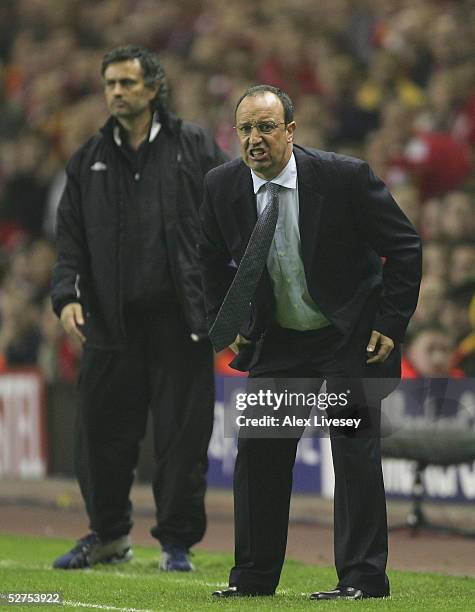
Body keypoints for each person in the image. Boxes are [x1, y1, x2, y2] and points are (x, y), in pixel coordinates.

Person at [199, 85, 422, 600]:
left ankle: (363, 580)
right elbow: (208, 259)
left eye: (267, 127)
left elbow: (404, 245)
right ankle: (253, 579)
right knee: (258, 452)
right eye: (247, 129)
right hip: (279, 337)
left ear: (291, 131)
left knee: (351, 446)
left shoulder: (344, 177)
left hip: (350, 334)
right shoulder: (220, 187)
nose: (256, 139)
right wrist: (226, 316)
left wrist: (389, 322)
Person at [51, 45, 227, 571]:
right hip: (110, 322)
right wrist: (66, 296)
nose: (117, 92)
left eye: (127, 83)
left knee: (182, 440)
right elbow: (70, 241)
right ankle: (108, 536)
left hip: (181, 321)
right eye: (110, 84)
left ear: (153, 88)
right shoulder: (87, 159)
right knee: (99, 435)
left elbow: (227, 222)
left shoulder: (194, 145)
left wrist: (227, 298)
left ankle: (176, 544)